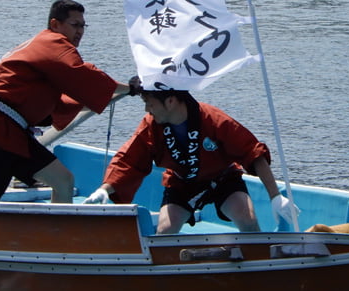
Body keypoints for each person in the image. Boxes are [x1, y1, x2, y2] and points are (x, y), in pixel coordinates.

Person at [0, 0, 141, 203]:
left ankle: (59, 232)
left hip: (14, 132)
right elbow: (84, 76)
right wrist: (130, 88)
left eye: (83, 26)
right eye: (74, 25)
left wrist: (124, 92)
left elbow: (68, 99)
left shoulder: (44, 49)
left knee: (63, 181)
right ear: (55, 25)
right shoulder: (53, 43)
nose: (80, 31)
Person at [84, 88, 299, 234]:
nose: (147, 109)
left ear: (170, 101)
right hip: (181, 183)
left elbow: (253, 152)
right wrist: (105, 189)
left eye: (150, 103)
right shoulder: (151, 124)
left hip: (222, 179)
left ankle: (256, 267)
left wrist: (275, 197)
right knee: (165, 230)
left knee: (248, 219)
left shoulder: (213, 119)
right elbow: (128, 159)